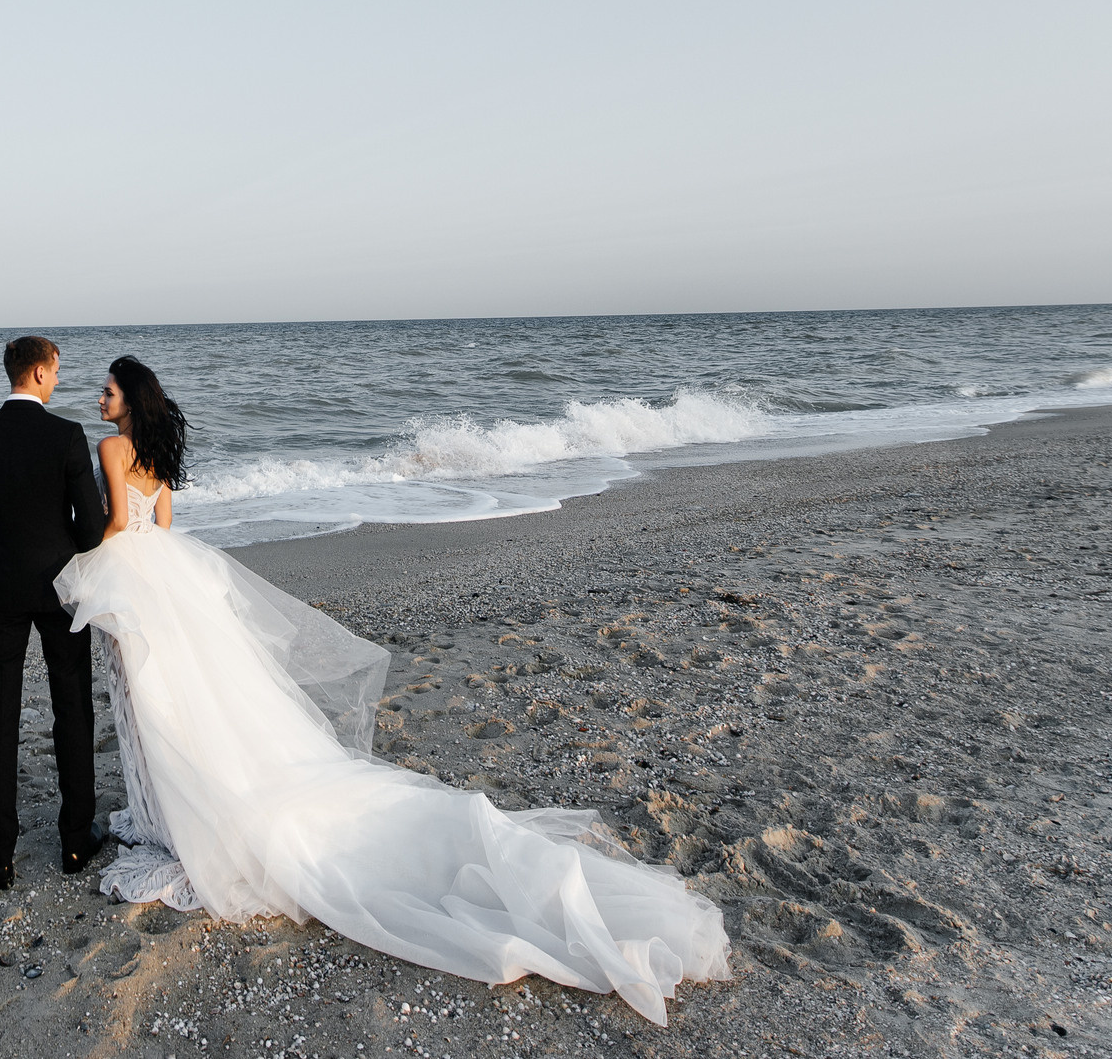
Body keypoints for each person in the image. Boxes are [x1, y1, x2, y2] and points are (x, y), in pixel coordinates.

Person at [54, 355, 731, 1026]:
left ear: (128, 398)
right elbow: (160, 525)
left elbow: (116, 525)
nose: (101, 396)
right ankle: (172, 810)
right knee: (186, 697)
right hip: (172, 572)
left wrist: (83, 561)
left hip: (136, 578)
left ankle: (170, 815)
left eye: (108, 389)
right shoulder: (156, 454)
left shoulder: (111, 446)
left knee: (151, 701)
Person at [0, 334, 113, 889]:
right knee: (72, 705)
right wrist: (57, 552)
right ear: (41, 374)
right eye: (58, 370)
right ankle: (76, 840)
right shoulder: (67, 436)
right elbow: (92, 530)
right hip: (60, 588)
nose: (60, 380)